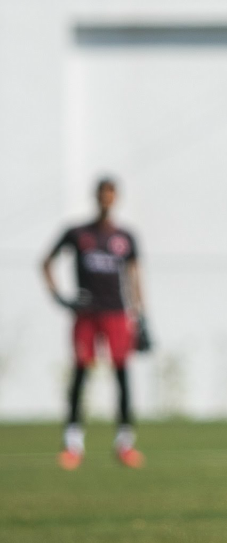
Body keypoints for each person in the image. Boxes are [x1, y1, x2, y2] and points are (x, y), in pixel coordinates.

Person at [42, 177, 148, 470]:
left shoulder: (125, 237)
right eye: (102, 194)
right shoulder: (77, 233)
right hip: (86, 314)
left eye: (110, 195)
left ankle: (125, 443)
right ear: (96, 197)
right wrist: (60, 298)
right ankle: (72, 443)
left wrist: (141, 317)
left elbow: (134, 276)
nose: (106, 199)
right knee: (80, 374)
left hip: (116, 314)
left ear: (116, 198)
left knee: (121, 374)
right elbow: (46, 262)